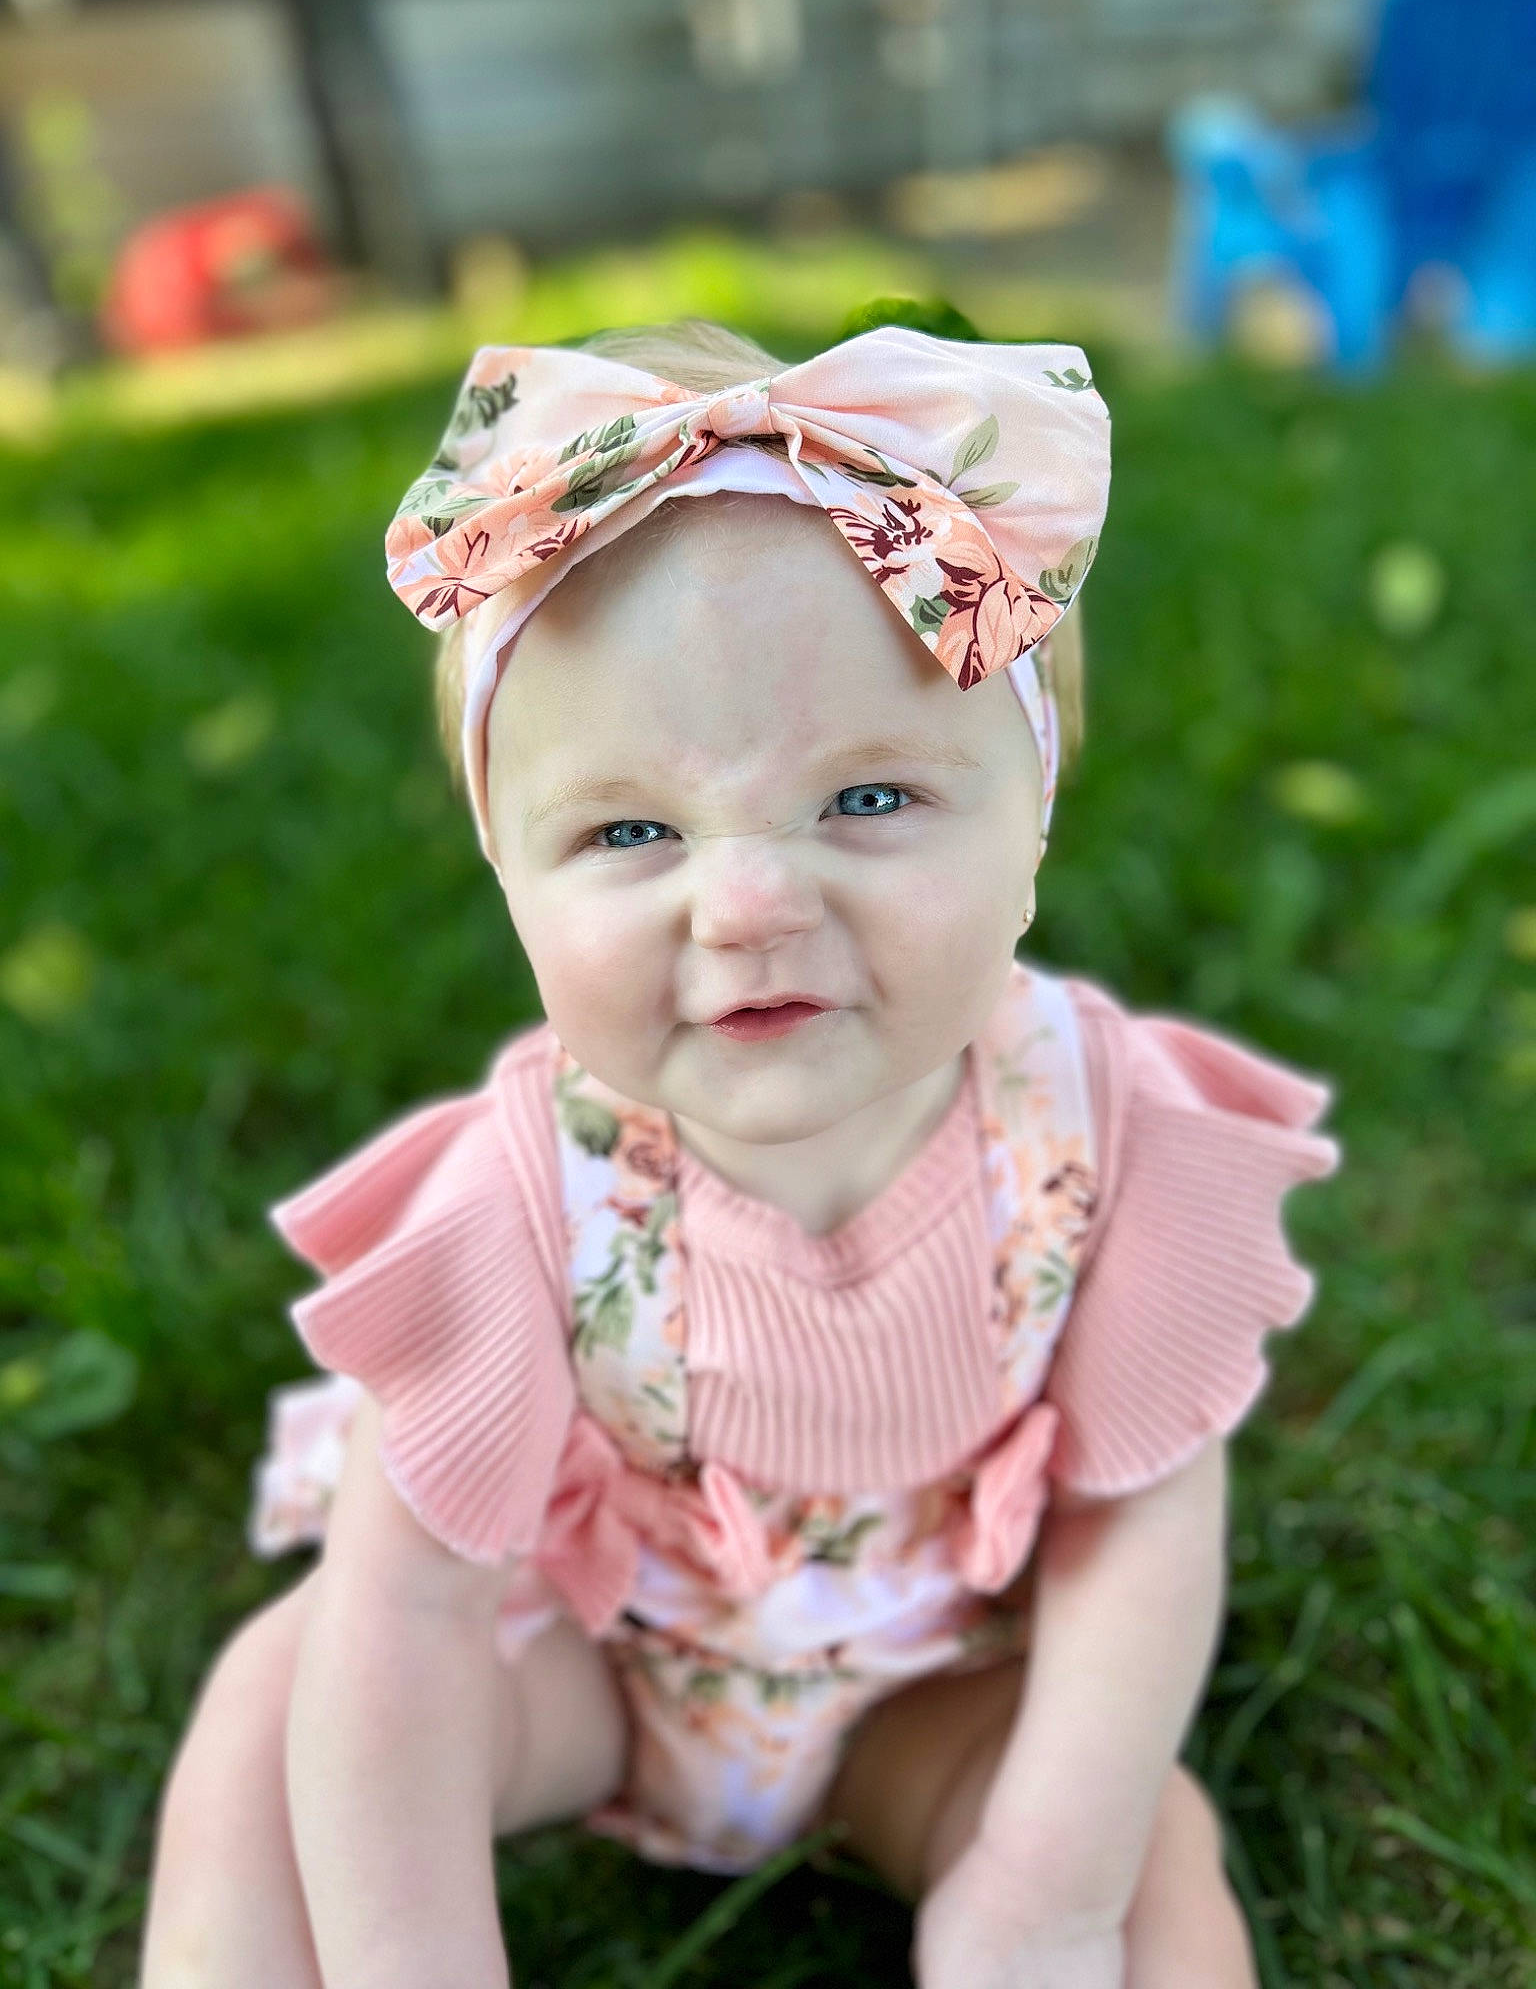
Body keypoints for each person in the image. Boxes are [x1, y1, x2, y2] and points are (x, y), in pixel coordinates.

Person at [139, 313, 1339, 1989]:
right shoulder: (526, 1189)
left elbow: (1138, 1520)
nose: (753, 904)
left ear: (1035, 806)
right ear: (509, 870)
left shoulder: (1107, 1123)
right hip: (602, 1671)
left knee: (1143, 1846)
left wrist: (1042, 1890)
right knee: (291, 1697)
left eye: (868, 802)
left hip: (938, 1698)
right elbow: (410, 1616)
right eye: (630, 831)